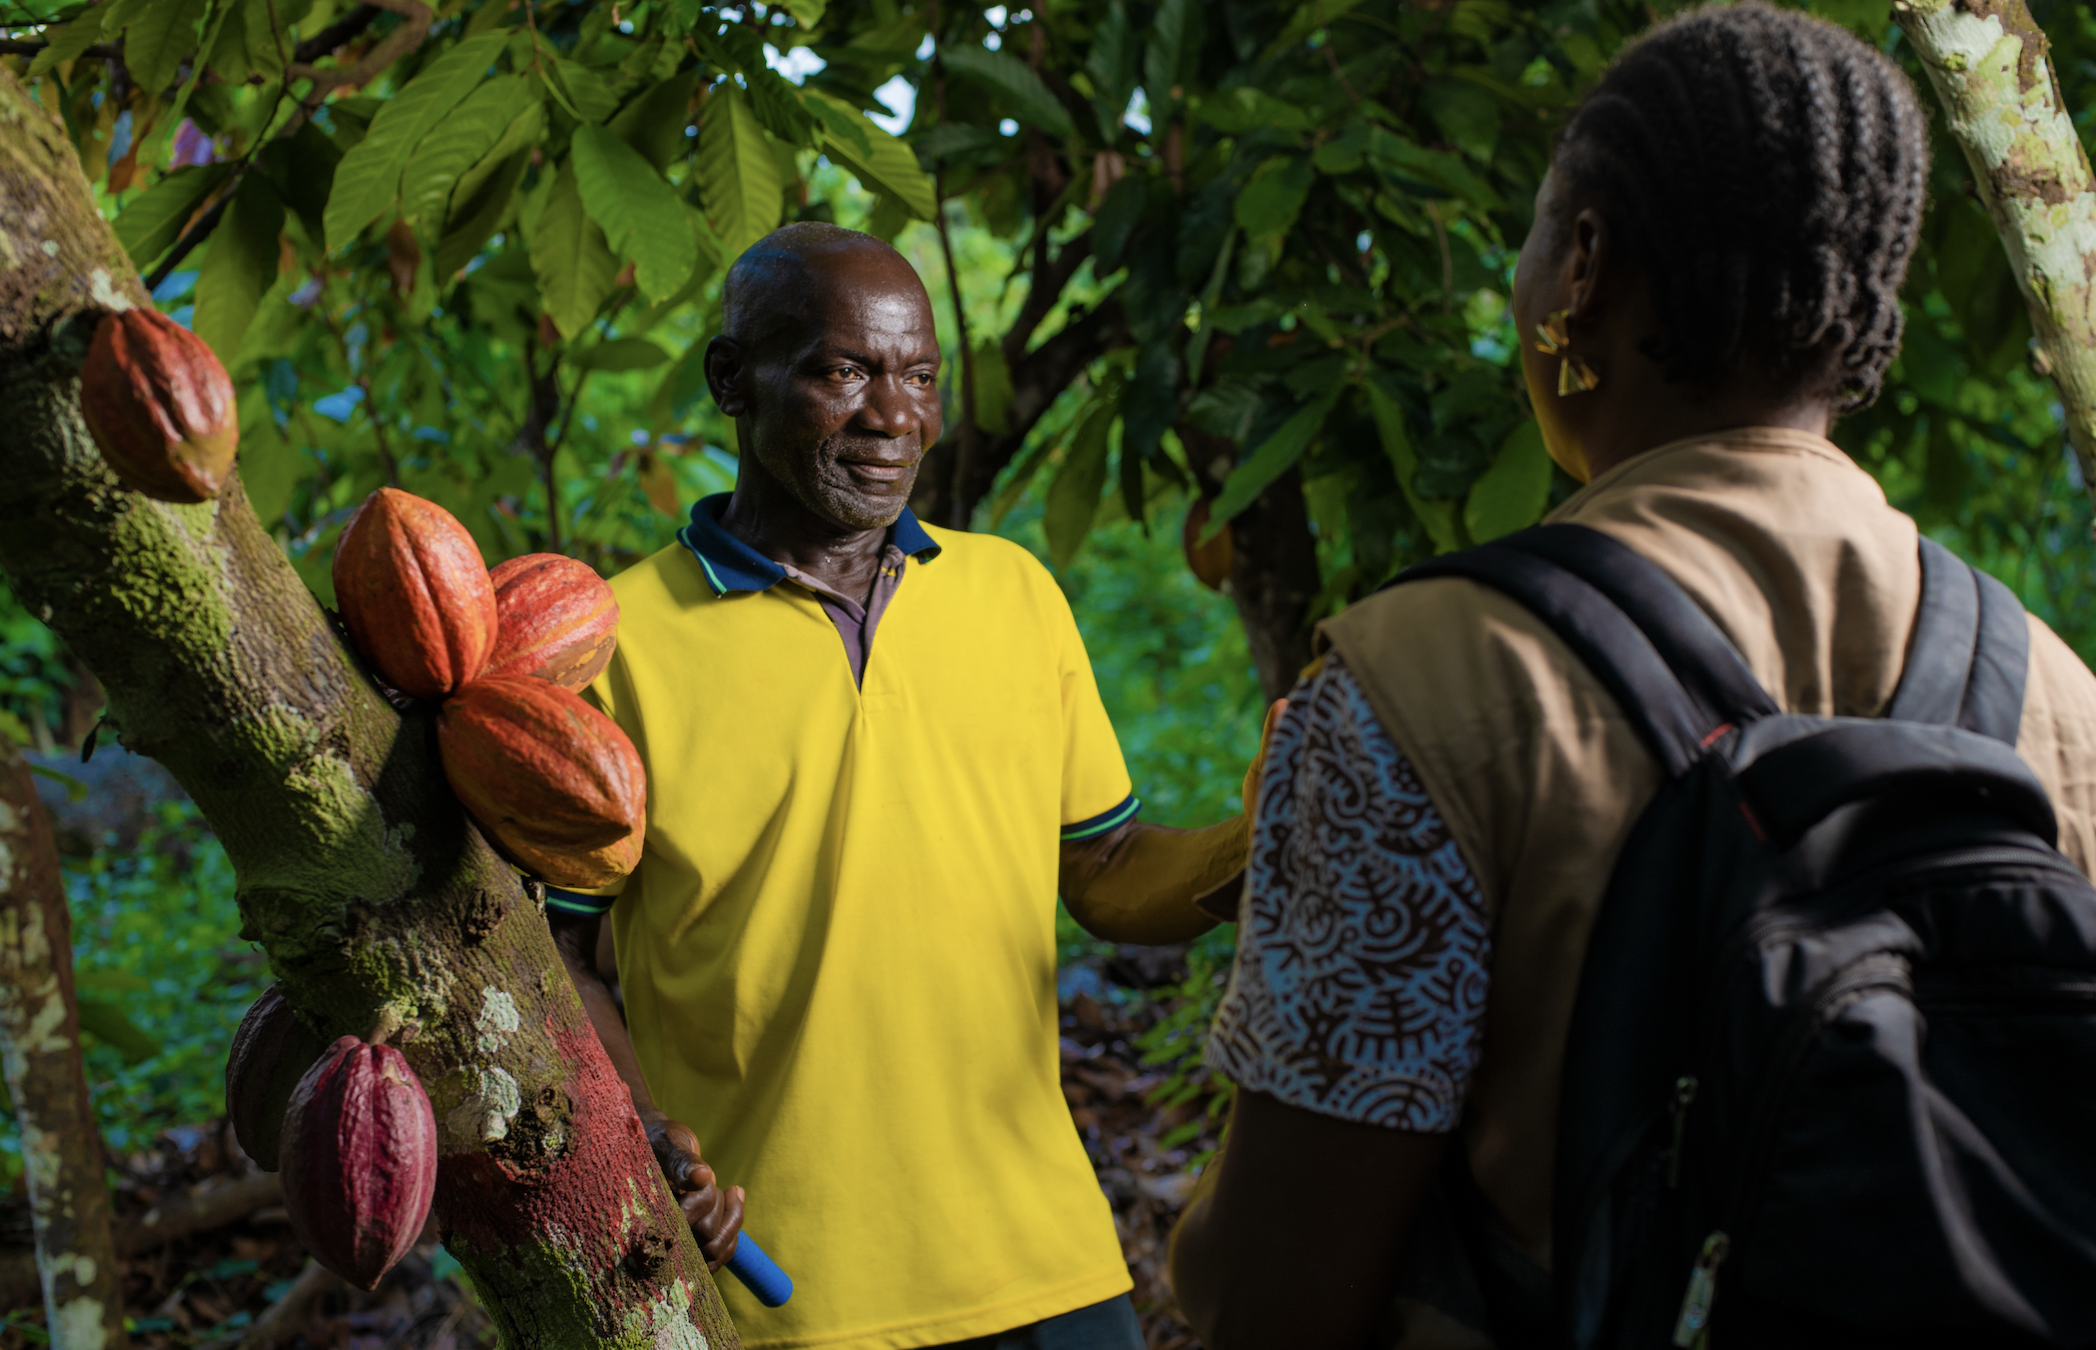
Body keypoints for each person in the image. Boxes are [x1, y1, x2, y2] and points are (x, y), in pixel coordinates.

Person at [1168, 5, 2096, 1347]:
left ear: (1582, 267)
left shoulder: (1418, 679)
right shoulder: (2059, 694)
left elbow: (1276, 1294)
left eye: (1542, 230)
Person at [547, 221, 1277, 1350]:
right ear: (731, 381)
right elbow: (560, 956)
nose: (894, 416)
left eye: (919, 375)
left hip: (1042, 1258)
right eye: (843, 371)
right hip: (780, 1289)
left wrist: (1262, 839)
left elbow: (1109, 871)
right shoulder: (617, 643)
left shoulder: (1011, 595)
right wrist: (645, 1133)